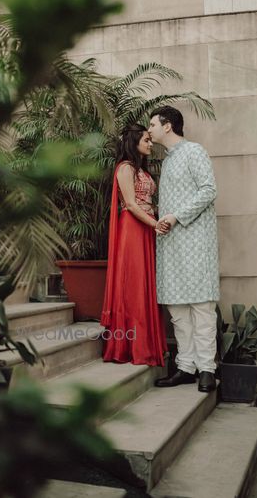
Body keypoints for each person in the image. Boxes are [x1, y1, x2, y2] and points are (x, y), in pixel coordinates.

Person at [148, 106, 220, 392]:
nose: (149, 129)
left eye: (152, 124)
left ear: (167, 126)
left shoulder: (194, 151)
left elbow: (208, 190)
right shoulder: (167, 161)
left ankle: (207, 369)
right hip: (171, 244)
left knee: (202, 307)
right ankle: (186, 367)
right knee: (177, 309)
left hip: (196, 241)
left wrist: (177, 216)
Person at [100, 124, 169, 366]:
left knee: (144, 283)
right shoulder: (125, 168)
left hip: (146, 227)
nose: (150, 144)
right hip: (133, 228)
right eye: (146, 140)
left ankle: (146, 343)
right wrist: (155, 223)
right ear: (133, 142)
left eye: (150, 139)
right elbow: (130, 204)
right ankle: (130, 346)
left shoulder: (142, 170)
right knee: (134, 284)